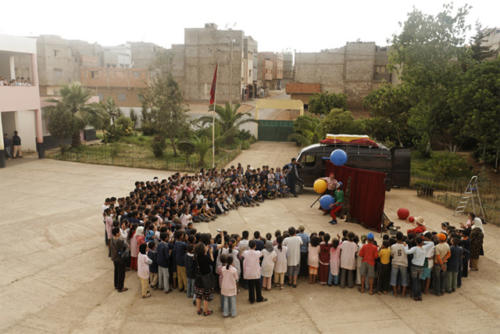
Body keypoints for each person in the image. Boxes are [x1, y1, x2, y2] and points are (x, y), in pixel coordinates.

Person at [405, 236, 435, 301]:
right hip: (421, 266)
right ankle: (419, 295)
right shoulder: (424, 248)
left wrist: (406, 246)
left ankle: (415, 295)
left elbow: (407, 252)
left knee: (415, 281)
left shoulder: (415, 248)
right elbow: (432, 243)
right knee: (418, 281)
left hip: (414, 266)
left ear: (416, 242)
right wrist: (423, 242)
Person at [194, 241, 215, 316]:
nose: (206, 247)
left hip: (198, 278)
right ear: (203, 250)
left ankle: (199, 310)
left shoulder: (195, 256)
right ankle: (206, 311)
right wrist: (211, 253)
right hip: (206, 279)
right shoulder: (205, 257)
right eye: (205, 246)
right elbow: (212, 262)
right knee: (206, 296)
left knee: (198, 295)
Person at [109, 227, 128, 292]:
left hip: (114, 258)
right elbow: (125, 247)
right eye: (119, 232)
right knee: (121, 273)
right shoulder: (119, 241)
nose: (120, 233)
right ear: (117, 234)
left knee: (116, 271)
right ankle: (120, 287)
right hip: (120, 259)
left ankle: (116, 285)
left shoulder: (112, 239)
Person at [390, 232, 408, 297]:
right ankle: (403, 293)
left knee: (393, 278)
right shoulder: (405, 245)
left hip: (395, 262)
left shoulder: (393, 246)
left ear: (396, 238)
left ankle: (395, 293)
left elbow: (392, 254)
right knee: (404, 278)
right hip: (403, 263)